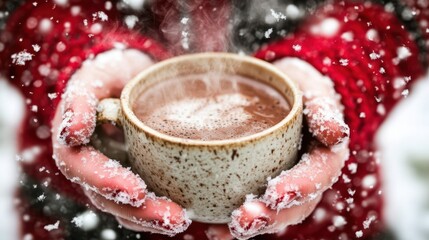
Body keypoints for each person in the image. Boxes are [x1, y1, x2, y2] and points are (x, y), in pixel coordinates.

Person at [0, 0, 427, 239]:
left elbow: (405, 14)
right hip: (78, 222)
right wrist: (77, 58)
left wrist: (334, 74)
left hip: (324, 221)